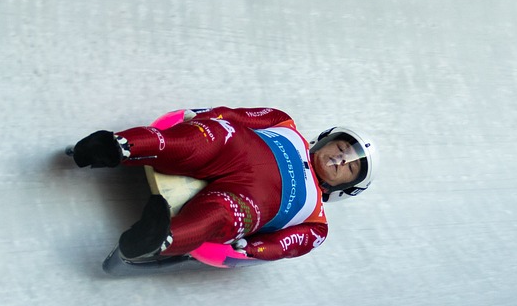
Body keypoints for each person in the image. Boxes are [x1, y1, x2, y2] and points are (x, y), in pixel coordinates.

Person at [69, 107, 375, 265]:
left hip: (252, 200)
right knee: (205, 139)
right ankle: (117, 147)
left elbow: (287, 246)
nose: (341, 158)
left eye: (351, 166)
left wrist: (254, 248)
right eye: (343, 148)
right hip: (236, 146)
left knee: (222, 215)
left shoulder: (317, 222)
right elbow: (236, 116)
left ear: (346, 188)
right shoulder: (285, 124)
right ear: (327, 139)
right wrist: (207, 118)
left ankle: (161, 236)